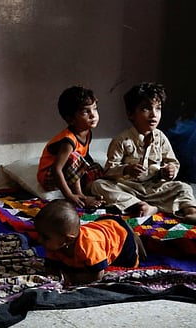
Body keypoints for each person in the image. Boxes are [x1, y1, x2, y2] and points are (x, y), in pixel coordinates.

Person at [91, 82, 196, 224]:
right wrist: (126, 169)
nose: (154, 114)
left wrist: (170, 170)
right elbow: (109, 171)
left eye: (158, 109)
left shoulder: (161, 138)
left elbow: (172, 162)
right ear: (131, 114)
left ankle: (191, 211)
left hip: (155, 187)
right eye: (146, 109)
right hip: (129, 188)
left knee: (184, 187)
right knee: (98, 185)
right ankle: (141, 206)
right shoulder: (121, 140)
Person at [33, 199, 146, 286]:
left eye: (45, 237)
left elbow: (97, 275)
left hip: (120, 237)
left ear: (68, 240)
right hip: (102, 224)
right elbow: (51, 267)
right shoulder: (54, 246)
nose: (39, 240)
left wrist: (71, 278)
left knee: (130, 262)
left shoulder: (88, 247)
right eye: (39, 234)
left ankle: (134, 237)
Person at [36, 85, 105, 209]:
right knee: (74, 158)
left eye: (94, 109)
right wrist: (69, 195)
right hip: (50, 176)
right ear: (71, 119)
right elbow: (57, 169)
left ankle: (89, 191)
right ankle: (80, 196)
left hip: (69, 172)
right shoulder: (68, 141)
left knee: (96, 168)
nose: (93, 115)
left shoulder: (87, 133)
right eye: (85, 111)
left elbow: (85, 158)